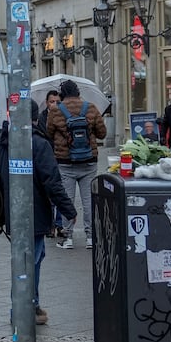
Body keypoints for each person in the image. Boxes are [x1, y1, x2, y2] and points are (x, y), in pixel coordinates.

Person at [0, 104, 74, 326]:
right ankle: (22, 310)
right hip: (34, 213)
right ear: (35, 119)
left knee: (28, 259)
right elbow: (52, 182)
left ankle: (31, 305)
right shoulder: (39, 143)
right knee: (29, 262)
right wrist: (68, 210)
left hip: (13, 212)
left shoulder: (4, 140)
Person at [44, 80, 105, 249]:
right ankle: (91, 238)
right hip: (89, 162)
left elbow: (48, 133)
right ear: (78, 92)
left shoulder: (55, 111)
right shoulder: (90, 108)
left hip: (65, 163)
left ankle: (68, 237)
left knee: (66, 200)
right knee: (89, 201)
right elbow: (102, 133)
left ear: (62, 94)